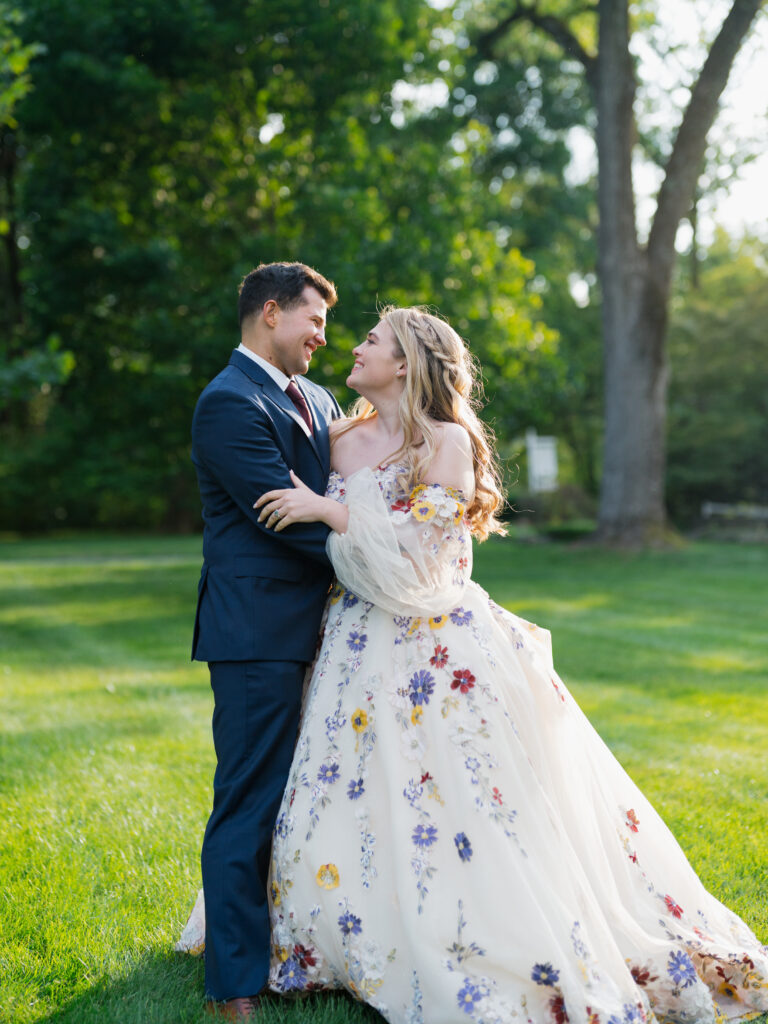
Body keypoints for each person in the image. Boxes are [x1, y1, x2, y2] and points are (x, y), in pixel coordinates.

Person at [250, 306, 768, 1023]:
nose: (357, 347)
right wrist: (323, 508)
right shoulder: (336, 440)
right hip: (355, 645)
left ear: (405, 363)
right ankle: (339, 941)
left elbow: (427, 554)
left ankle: (472, 939)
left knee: (470, 803)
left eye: (373, 339)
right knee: (347, 795)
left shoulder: (446, 443)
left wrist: (333, 514)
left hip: (439, 649)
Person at [187, 261, 341, 1019]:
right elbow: (284, 519)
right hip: (257, 634)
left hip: (331, 633)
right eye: (314, 320)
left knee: (310, 798)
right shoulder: (227, 403)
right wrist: (385, 567)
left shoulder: (317, 397)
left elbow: (336, 496)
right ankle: (234, 986)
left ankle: (303, 948)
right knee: (249, 801)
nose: (322, 338)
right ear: (271, 313)